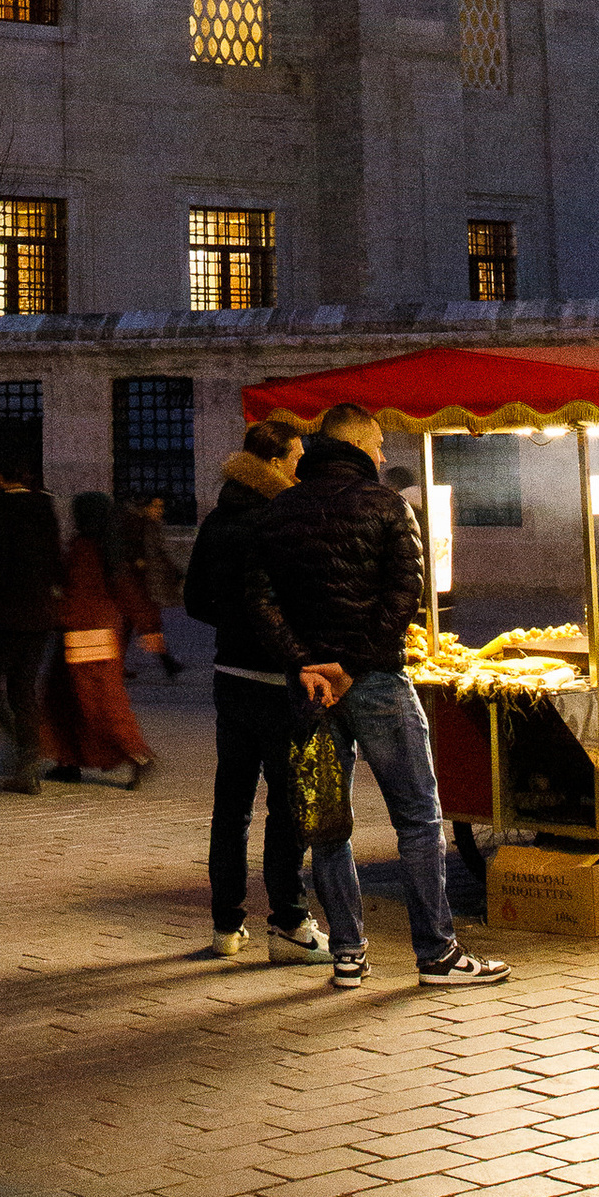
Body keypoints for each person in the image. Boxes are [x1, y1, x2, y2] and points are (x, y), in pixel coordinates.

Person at [239, 402, 508, 996]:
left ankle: (349, 955)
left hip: (310, 690)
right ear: (361, 446)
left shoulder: (278, 511)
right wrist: (353, 665)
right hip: (378, 680)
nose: (386, 456)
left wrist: (307, 663)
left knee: (329, 825)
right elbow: (403, 597)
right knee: (417, 817)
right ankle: (436, 953)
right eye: (382, 445)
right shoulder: (389, 506)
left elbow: (257, 601)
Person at [182, 420, 322, 962]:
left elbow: (194, 600)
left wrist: (234, 624)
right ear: (276, 461)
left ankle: (225, 926)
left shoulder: (218, 519)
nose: (299, 466)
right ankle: (289, 921)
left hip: (230, 677)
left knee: (231, 804)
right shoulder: (281, 518)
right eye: (295, 457)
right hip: (276, 679)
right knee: (287, 806)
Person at [0, 451, 65, 791]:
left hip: (5, 615)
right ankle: (27, 768)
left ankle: (26, 752)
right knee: (22, 688)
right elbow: (56, 562)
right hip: (39, 614)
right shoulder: (44, 507)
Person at [42, 493, 154, 786]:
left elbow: (75, 592)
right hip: (102, 632)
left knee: (95, 701)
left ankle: (136, 753)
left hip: (82, 634)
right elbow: (125, 589)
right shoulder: (111, 545)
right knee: (71, 698)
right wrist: (148, 626)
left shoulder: (85, 548)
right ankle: (69, 759)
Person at [118, 493, 187, 682]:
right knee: (147, 622)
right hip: (138, 583)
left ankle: (119, 665)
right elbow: (135, 552)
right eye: (156, 507)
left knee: (132, 624)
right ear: (146, 507)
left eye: (161, 507)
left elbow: (160, 554)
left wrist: (173, 571)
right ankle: (167, 662)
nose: (159, 511)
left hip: (146, 583)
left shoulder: (148, 525)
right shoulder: (136, 524)